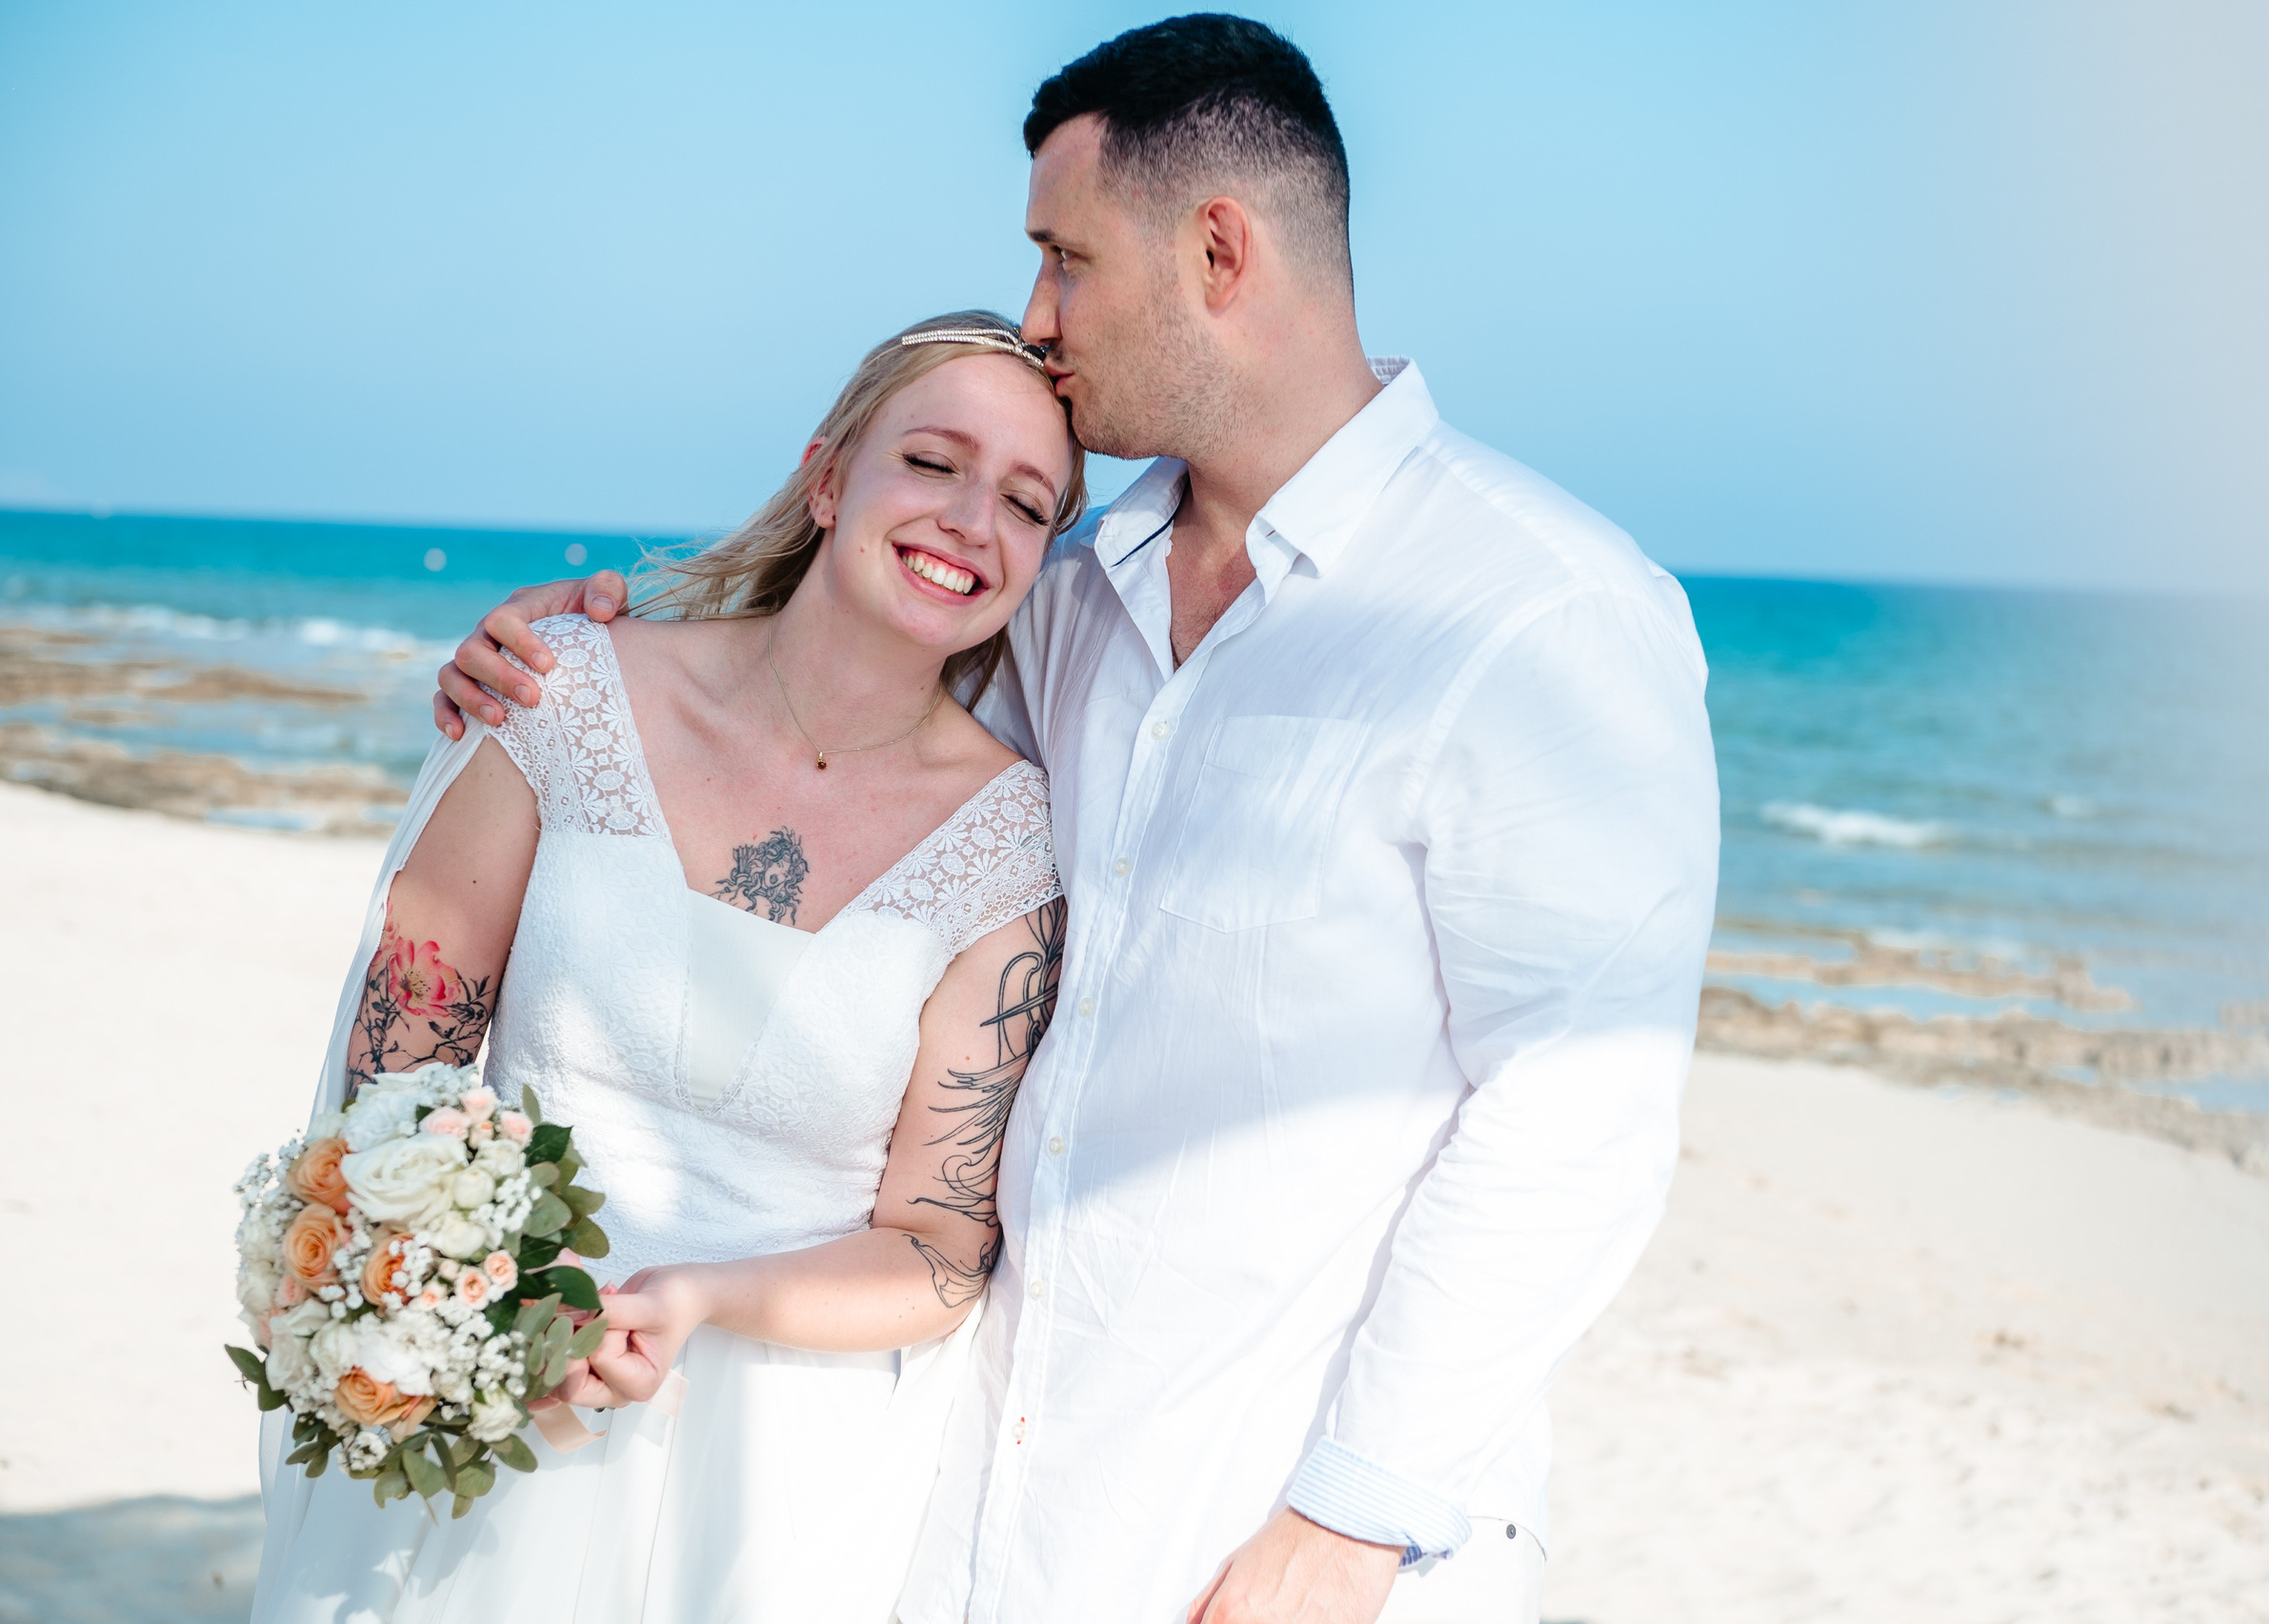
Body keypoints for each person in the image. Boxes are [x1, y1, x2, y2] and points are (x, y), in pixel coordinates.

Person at [435, 16, 1719, 1624]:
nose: (1039, 321)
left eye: (1065, 260)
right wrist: (586, 654)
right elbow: (836, 738)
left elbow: (1574, 1117)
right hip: (979, 1498)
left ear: (1220, 250)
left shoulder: (1537, 618)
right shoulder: (1075, 588)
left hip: (1279, 1528)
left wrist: (1353, 1519)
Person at [252, 312, 1081, 1624]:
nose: (975, 519)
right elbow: (392, 1081)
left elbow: (935, 1244)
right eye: (932, 462)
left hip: (775, 1491)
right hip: (494, 1394)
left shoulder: (1012, 846)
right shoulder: (560, 693)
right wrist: (482, 1316)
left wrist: (697, 1297)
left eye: (1030, 503)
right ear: (825, 478)